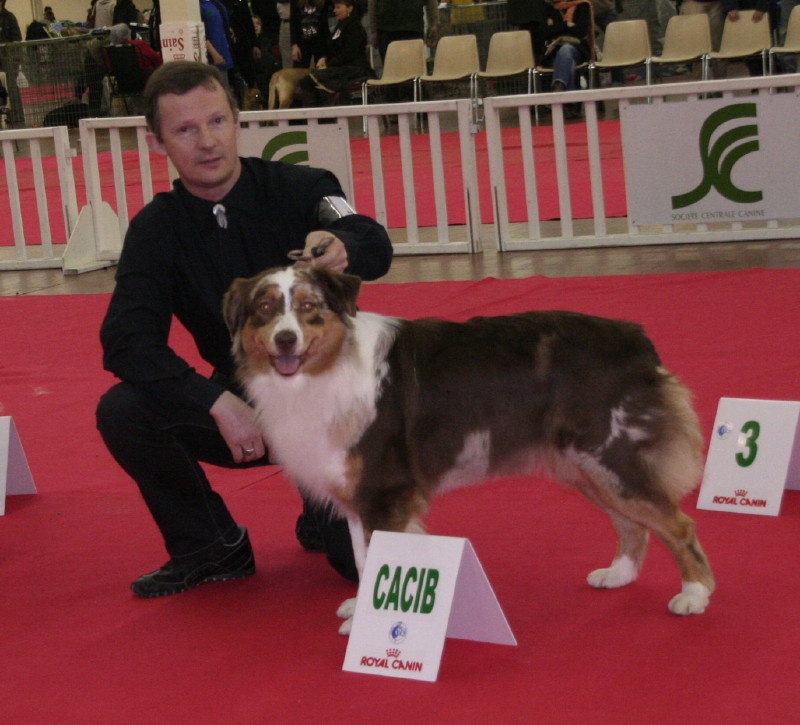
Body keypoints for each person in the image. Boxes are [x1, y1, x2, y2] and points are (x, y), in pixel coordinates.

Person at [95, 60, 393, 598]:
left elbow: (366, 233)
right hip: (244, 399)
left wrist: (348, 245)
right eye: (184, 130)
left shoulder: (303, 186)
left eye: (216, 121)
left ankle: (321, 503)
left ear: (238, 119)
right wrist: (215, 401)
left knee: (358, 564)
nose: (206, 142)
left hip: (334, 400)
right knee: (124, 411)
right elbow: (125, 341)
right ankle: (210, 546)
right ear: (157, 142)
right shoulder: (155, 229)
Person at [297, 0, 371, 107]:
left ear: (350, 8)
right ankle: (321, 117)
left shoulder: (355, 27)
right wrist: (324, 58)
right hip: (339, 66)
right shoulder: (340, 25)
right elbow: (332, 49)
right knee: (307, 81)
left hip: (354, 69)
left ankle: (318, 117)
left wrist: (328, 63)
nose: (335, 11)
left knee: (308, 81)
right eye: (334, 8)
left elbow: (348, 54)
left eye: (338, 8)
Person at [539, 0, 594, 114]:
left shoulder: (583, 5)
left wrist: (556, 26)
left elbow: (581, 31)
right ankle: (571, 102)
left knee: (566, 49)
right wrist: (567, 25)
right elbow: (545, 32)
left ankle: (559, 87)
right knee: (569, 61)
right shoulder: (548, 8)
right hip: (554, 53)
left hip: (578, 49)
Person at [290, 0, 331, 68]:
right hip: (302, 41)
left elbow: (325, 24)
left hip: (320, 41)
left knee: (321, 71)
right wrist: (294, 45)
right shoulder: (296, 2)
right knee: (299, 72)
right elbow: (293, 22)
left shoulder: (324, 2)